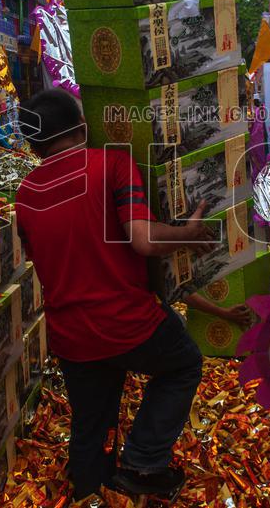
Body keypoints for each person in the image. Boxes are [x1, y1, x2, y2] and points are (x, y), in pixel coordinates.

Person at [14, 89, 211, 501]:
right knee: (184, 364)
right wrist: (188, 235)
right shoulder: (110, 164)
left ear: (33, 145)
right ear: (83, 127)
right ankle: (143, 461)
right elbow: (142, 239)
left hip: (70, 334)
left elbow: (40, 260)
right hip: (128, 322)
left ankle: (90, 492)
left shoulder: (26, 194)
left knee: (91, 422)